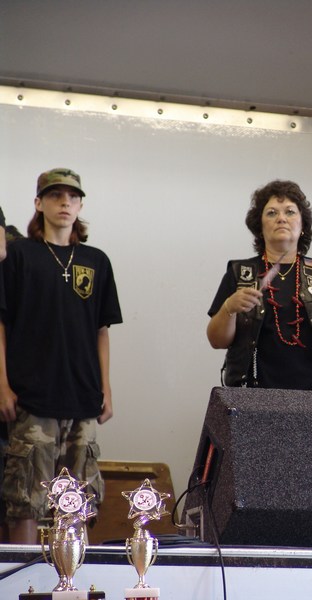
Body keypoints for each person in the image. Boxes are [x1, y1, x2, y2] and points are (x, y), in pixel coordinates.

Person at [0, 168, 122, 544]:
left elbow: (101, 330)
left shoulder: (96, 260)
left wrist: (106, 388)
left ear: (80, 205)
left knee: (77, 504)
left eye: (72, 196)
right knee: (25, 501)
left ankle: (71, 575)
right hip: (32, 397)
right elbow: (1, 324)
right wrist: (2, 384)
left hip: (83, 398)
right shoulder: (18, 255)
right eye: (55, 195)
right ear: (39, 203)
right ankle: (23, 576)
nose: (64, 202)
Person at [207, 179, 312, 401]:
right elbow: (217, 341)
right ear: (260, 227)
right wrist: (229, 307)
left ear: (303, 226)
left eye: (290, 212)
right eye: (272, 213)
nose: (281, 218)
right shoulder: (241, 272)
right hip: (252, 399)